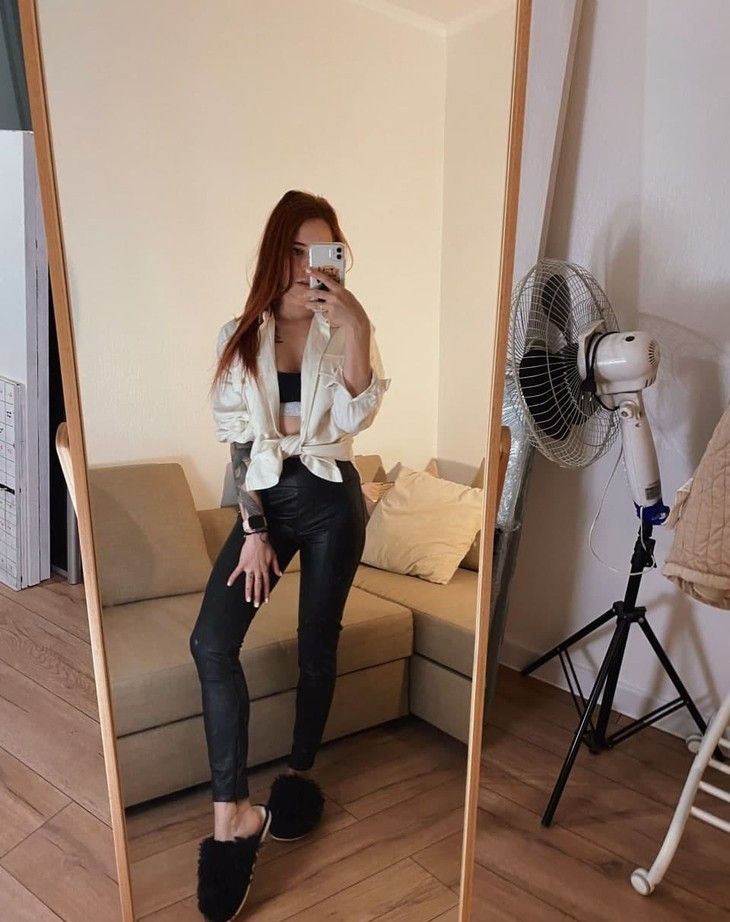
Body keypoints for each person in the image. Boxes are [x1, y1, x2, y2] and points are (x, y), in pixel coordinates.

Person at [190, 190, 390, 922]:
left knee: (316, 644)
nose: (312, 266)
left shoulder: (345, 329)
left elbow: (362, 408)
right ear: (277, 254)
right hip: (268, 506)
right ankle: (234, 815)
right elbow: (241, 446)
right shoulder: (240, 336)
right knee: (211, 643)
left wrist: (357, 322)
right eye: (299, 251)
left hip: (334, 499)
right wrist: (253, 529)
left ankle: (299, 776)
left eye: (325, 251)